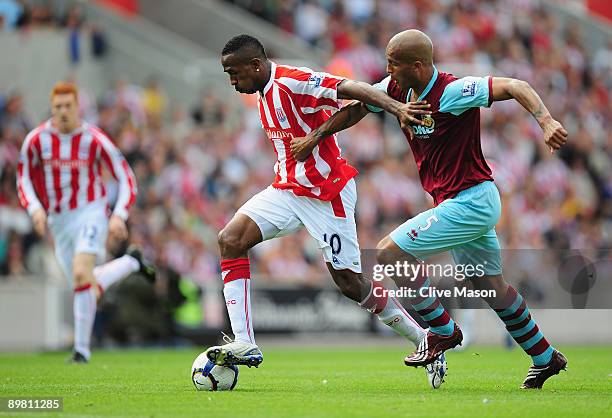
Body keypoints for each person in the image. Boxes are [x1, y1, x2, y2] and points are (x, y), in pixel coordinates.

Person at [289, 29, 568, 389]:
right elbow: (359, 106)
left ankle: (441, 331)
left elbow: (514, 85)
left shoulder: (451, 92)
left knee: (390, 252)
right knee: (491, 287)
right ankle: (545, 357)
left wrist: (545, 120)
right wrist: (315, 137)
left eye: (393, 62)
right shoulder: (397, 90)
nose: (386, 69)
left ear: (418, 65)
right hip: (458, 202)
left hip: (472, 200)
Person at [207, 34, 447, 388]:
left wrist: (398, 109)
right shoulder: (260, 93)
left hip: (326, 192)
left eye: (234, 73)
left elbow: (356, 89)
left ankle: (425, 340)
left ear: (255, 65)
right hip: (287, 188)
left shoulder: (294, 81)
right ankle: (246, 342)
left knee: (349, 283)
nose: (232, 81)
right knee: (230, 239)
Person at [16, 81, 155, 363]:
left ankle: (81, 351)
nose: (63, 111)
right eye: (58, 107)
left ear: (78, 107)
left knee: (81, 274)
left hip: (90, 212)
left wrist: (119, 215)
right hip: (58, 221)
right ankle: (131, 263)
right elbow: (23, 178)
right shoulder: (36, 140)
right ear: (52, 108)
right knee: (86, 286)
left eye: (68, 106)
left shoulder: (94, 138)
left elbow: (125, 175)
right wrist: (34, 209)